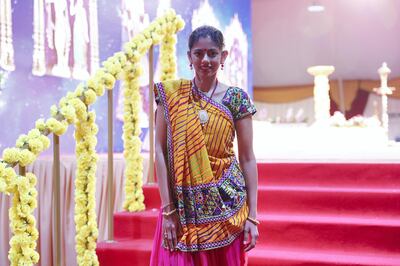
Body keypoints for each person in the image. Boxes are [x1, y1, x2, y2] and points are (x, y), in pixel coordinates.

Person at [150, 25, 259, 266]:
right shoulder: (171, 96)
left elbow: (248, 158)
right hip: (180, 209)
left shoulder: (236, 99)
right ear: (189, 57)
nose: (205, 60)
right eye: (198, 53)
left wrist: (253, 216)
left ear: (224, 56)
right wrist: (168, 210)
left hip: (226, 207)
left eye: (212, 53)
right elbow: (159, 150)